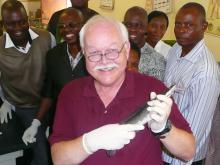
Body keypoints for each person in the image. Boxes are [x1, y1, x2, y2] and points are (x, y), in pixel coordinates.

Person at [49, 15, 195, 165]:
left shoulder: (153, 89)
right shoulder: (70, 92)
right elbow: (59, 159)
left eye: (112, 51)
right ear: (84, 54)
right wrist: (90, 142)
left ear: (126, 49)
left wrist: (164, 129)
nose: (104, 61)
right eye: (93, 53)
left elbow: (188, 152)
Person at [163, 2, 220, 165]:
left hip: (181, 158)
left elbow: (193, 134)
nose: (181, 30)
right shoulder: (175, 48)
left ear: (204, 26)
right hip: (164, 144)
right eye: (178, 24)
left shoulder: (206, 73)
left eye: (189, 25)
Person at [0, 1, 55, 164]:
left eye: (22, 21)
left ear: (27, 20)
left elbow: (54, 72)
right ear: (3, 24)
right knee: (41, 155)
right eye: (11, 24)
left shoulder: (46, 38)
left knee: (53, 148)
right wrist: (4, 102)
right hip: (22, 107)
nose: (18, 28)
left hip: (48, 103)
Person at [40, 8, 88, 131]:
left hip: (88, 121)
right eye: (61, 26)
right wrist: (37, 121)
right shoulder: (53, 55)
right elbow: (48, 91)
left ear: (84, 26)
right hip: (60, 120)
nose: (66, 29)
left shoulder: (94, 53)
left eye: (72, 25)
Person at [123, 6, 166, 81]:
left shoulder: (156, 60)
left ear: (146, 27)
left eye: (138, 25)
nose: (133, 29)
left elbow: (155, 90)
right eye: (129, 25)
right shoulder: (114, 51)